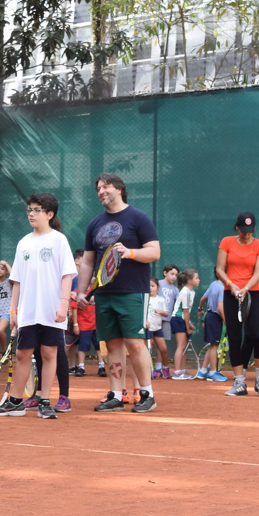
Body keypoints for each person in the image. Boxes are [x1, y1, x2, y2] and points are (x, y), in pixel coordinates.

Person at [75, 173, 161, 413]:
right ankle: (115, 396)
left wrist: (130, 252)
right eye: (98, 188)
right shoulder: (95, 223)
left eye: (106, 187)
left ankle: (147, 394)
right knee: (112, 345)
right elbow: (88, 261)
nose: (101, 191)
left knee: (135, 343)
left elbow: (154, 252)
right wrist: (81, 292)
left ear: (120, 189)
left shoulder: (138, 217)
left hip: (133, 291)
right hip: (104, 293)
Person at [0, 193, 76, 419]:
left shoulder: (59, 240)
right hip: (27, 310)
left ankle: (45, 401)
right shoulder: (23, 243)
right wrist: (13, 310)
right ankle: (16, 401)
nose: (31, 214)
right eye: (29, 210)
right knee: (22, 353)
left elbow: (67, 275)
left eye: (37, 210)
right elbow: (16, 280)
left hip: (52, 310)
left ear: (50, 214)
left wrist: (64, 303)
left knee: (48, 353)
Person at [215, 212, 259, 396]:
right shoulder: (226, 242)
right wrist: (230, 285)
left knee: (257, 335)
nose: (247, 234)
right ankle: (239, 383)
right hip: (230, 293)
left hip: (253, 293)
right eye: (243, 230)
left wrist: (245, 288)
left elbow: (258, 273)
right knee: (234, 337)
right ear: (237, 227)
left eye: (250, 230)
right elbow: (219, 269)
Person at [196, 276, 227, 382]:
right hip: (215, 317)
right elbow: (220, 307)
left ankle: (203, 370)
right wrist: (225, 320)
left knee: (212, 345)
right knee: (214, 346)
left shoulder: (213, 284)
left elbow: (202, 299)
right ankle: (213, 372)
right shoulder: (222, 288)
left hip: (209, 316)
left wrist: (200, 309)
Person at [170, 268, 200, 379]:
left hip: (182, 319)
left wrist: (189, 323)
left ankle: (182, 370)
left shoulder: (192, 292)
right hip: (177, 319)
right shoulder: (185, 292)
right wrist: (187, 327)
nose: (199, 280)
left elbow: (186, 311)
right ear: (189, 281)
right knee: (181, 346)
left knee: (185, 347)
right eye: (196, 278)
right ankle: (177, 372)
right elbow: (185, 311)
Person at [156, 264, 180, 378]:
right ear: (165, 273)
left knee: (161, 344)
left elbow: (178, 305)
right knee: (151, 342)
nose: (174, 277)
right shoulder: (158, 284)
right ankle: (153, 367)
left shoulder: (175, 290)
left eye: (176, 275)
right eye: (172, 274)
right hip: (154, 318)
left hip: (167, 319)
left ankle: (159, 367)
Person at [147, 278, 171, 378]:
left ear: (158, 287)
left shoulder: (161, 299)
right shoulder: (145, 299)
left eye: (152, 286)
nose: (150, 288)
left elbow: (166, 313)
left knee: (164, 349)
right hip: (148, 329)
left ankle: (165, 369)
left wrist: (160, 311)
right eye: (148, 286)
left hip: (158, 329)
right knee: (148, 351)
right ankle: (149, 371)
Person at [74, 287, 97, 376]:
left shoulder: (96, 289)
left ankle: (102, 366)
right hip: (84, 324)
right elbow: (74, 307)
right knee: (83, 346)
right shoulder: (78, 291)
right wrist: (75, 324)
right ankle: (81, 367)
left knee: (99, 346)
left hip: (96, 324)